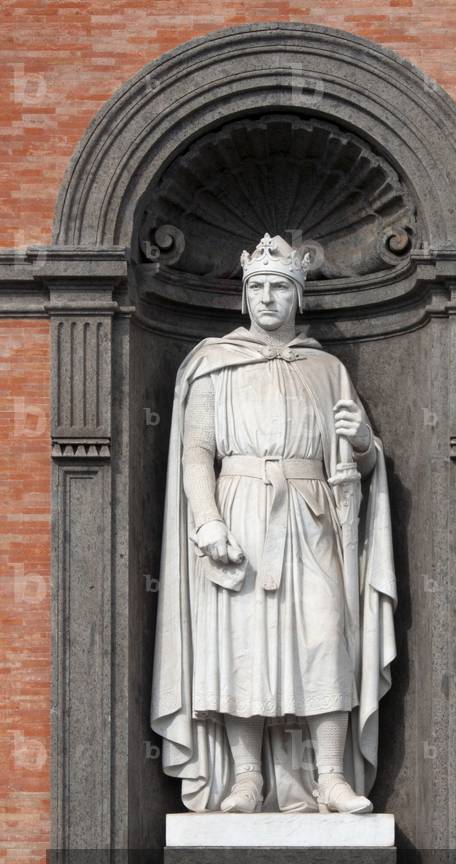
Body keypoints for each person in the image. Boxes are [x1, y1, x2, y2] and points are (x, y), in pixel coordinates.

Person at [151, 233, 396, 814]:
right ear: (243, 295)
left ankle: (332, 777)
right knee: (241, 643)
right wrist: (208, 524)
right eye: (257, 287)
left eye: (279, 288)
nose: (267, 297)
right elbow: (194, 454)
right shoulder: (213, 366)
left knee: (323, 636)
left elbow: (356, 455)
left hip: (313, 515)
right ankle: (245, 780)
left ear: (298, 298)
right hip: (239, 512)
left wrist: (364, 444)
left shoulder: (327, 368)